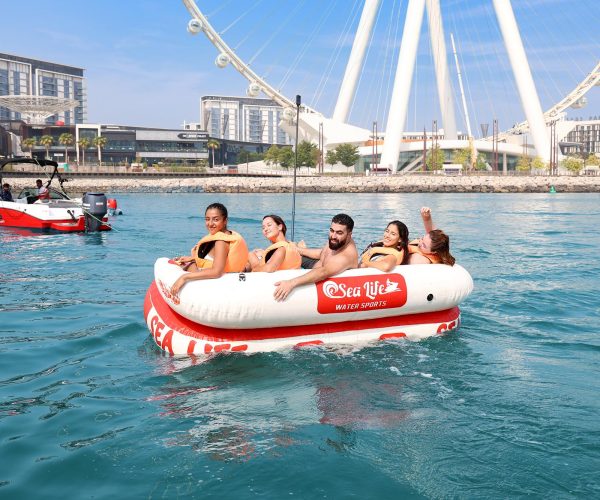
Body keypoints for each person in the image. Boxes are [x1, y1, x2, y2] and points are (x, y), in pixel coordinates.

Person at [169, 203, 249, 299]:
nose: (210, 224)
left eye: (216, 219)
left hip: (216, 285)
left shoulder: (221, 241)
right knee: (188, 263)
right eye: (207, 219)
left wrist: (184, 277)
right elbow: (220, 259)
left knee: (184, 266)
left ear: (225, 221)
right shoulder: (227, 235)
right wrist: (193, 258)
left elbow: (217, 272)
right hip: (228, 277)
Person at [273, 213, 358, 302]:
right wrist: (298, 250)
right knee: (287, 252)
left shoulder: (346, 256)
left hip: (316, 275)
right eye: (332, 230)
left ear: (349, 234)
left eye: (339, 233)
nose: (333, 236)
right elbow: (322, 253)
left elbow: (323, 272)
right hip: (314, 265)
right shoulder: (338, 241)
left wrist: (291, 283)